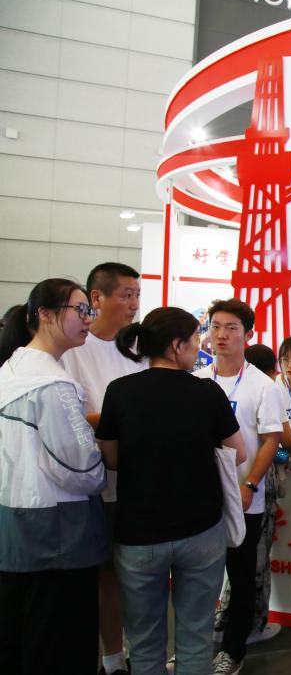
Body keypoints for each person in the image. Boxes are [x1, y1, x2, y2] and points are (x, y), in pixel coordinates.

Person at [96, 307, 245, 675]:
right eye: (195, 340)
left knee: (144, 643)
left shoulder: (119, 391)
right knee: (195, 639)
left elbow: (110, 458)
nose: (200, 346)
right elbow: (238, 452)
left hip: (138, 534)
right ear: (177, 346)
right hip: (201, 531)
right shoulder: (206, 392)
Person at [0, 278, 108, 674]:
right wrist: (102, 469)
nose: (88, 319)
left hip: (15, 525)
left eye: (89, 311)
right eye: (79, 310)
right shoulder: (54, 384)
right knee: (59, 645)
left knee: (19, 637)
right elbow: (79, 466)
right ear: (44, 314)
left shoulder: (12, 369)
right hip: (60, 534)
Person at [61, 262, 144, 675]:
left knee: (134, 578)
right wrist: (119, 418)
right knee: (99, 578)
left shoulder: (137, 349)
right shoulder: (73, 351)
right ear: (97, 298)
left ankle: (126, 657)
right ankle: (107, 658)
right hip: (92, 486)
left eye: (137, 295)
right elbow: (68, 416)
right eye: (126, 295)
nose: (134, 304)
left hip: (138, 483)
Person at [195, 298, 285, 675]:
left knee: (242, 574)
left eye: (231, 328)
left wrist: (250, 483)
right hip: (200, 496)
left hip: (244, 496)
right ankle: (193, 650)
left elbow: (271, 439)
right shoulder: (197, 380)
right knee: (198, 578)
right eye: (215, 326)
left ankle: (233, 651)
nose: (221, 335)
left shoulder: (262, 385)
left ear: (248, 335)